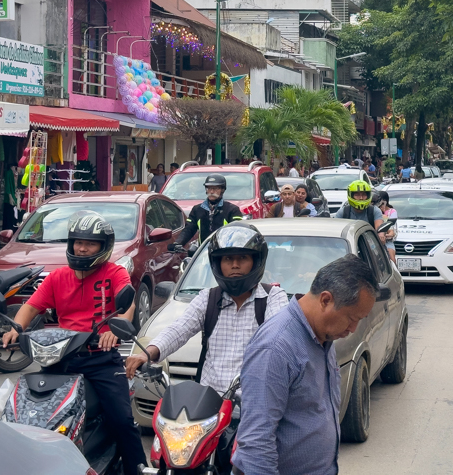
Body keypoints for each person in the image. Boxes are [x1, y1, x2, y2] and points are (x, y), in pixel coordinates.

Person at [1, 212, 145, 475]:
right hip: (61, 359)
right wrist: (15, 328)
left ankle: (138, 468)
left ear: (104, 247)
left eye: (90, 243)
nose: (82, 247)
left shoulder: (114, 272)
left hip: (102, 359)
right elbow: (31, 307)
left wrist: (115, 328)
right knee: (34, 417)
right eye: (78, 241)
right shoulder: (57, 277)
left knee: (122, 420)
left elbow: (128, 305)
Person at [232, 254, 379, 475]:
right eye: (352, 318)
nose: (353, 329)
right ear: (326, 300)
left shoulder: (323, 336)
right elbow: (256, 442)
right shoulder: (275, 347)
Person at [125, 224, 288, 394]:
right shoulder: (208, 298)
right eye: (227, 259)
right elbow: (179, 329)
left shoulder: (273, 298)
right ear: (217, 263)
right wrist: (147, 353)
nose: (235, 265)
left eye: (243, 258)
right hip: (210, 403)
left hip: (255, 401)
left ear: (256, 261)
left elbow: (276, 338)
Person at [176, 174, 244, 247]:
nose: (211, 192)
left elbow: (237, 232)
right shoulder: (197, 209)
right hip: (203, 252)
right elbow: (189, 229)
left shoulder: (232, 210)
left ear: (222, 190)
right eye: (209, 188)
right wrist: (178, 243)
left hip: (224, 252)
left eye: (215, 189)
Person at [372, 190, 397, 262]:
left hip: (385, 242)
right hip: (369, 242)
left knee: (391, 259)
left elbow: (391, 232)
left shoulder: (385, 217)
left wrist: (384, 235)